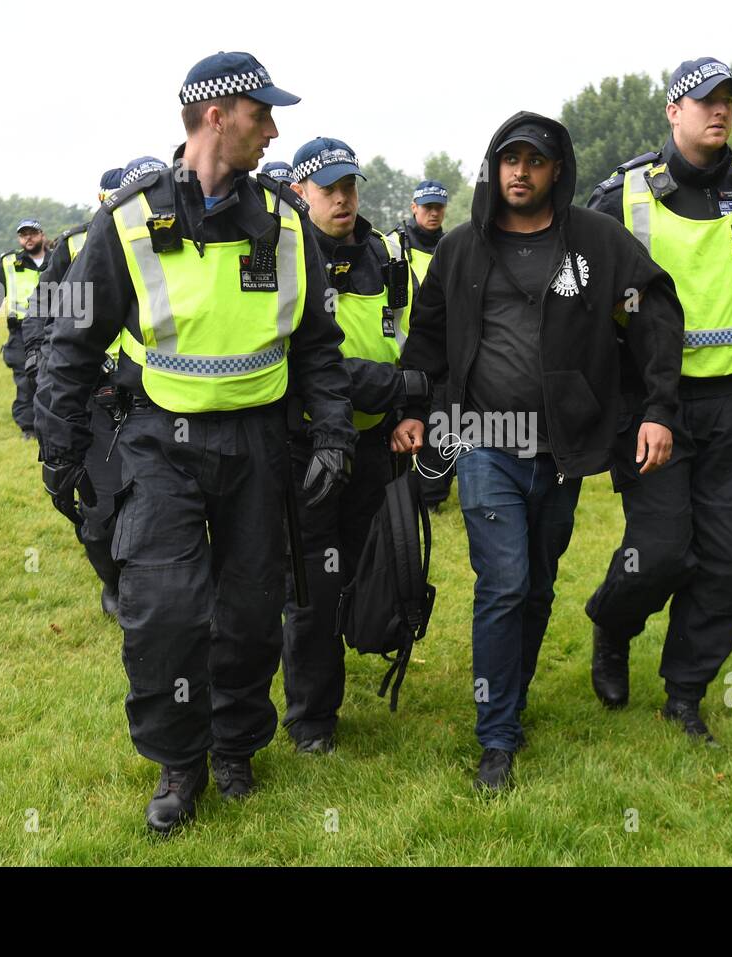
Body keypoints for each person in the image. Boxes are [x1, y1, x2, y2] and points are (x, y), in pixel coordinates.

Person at [37, 51, 356, 834]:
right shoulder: (129, 219)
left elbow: (318, 345)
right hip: (159, 443)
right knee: (165, 610)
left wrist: (336, 436)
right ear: (217, 117)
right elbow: (71, 344)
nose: (274, 130)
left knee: (250, 609)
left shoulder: (284, 224)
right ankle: (180, 761)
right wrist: (62, 453)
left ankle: (236, 744)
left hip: (259, 441)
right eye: (262, 113)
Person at [392, 112, 684, 790]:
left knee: (540, 583)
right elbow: (427, 340)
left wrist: (659, 409)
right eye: (508, 158)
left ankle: (510, 699)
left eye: (535, 160)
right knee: (505, 583)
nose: (520, 171)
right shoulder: (462, 248)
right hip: (485, 441)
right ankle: (495, 737)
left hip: (565, 447)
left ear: (558, 170)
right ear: (494, 167)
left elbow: (655, 312)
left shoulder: (598, 241)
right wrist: (409, 410)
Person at [581, 58, 732, 743]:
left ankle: (685, 690)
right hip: (653, 403)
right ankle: (613, 624)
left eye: (729, 100)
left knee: (730, 560)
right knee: (663, 549)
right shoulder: (622, 197)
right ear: (672, 111)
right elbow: (580, 309)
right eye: (704, 100)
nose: (720, 110)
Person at [277, 137, 425, 753]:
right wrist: (399, 386)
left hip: (377, 448)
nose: (342, 199)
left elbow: (414, 340)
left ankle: (362, 654)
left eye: (350, 187)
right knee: (311, 587)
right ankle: (312, 717)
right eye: (329, 189)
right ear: (300, 193)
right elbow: (319, 363)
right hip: (308, 447)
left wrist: (406, 407)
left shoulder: (386, 257)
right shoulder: (283, 257)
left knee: (372, 572)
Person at [26, 164, 134, 618]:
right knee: (99, 504)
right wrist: (39, 358)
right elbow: (43, 306)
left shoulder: (164, 240)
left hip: (146, 387)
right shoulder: (73, 243)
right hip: (90, 385)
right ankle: (112, 579)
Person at [393, 180, 454, 510]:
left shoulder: (453, 246)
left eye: (438, 207)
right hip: (400, 353)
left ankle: (431, 495)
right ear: (414, 207)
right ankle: (399, 486)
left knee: (440, 420)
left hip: (440, 351)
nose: (433, 213)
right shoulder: (394, 246)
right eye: (427, 206)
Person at [0, 219, 49, 439]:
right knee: (25, 376)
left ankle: (52, 420)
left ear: (42, 235)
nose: (28, 238)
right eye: (23, 234)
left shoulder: (60, 258)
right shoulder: (10, 263)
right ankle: (28, 427)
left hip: (51, 327)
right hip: (21, 331)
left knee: (53, 375)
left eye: (32, 233)